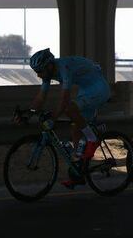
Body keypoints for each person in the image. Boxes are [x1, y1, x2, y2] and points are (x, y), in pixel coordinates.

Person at [24, 48, 110, 188]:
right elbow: (41, 97)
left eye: (40, 71)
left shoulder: (65, 67)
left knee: (70, 109)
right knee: (75, 127)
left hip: (99, 89)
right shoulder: (48, 73)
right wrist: (29, 112)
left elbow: (64, 100)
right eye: (36, 72)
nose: (39, 75)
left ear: (49, 65)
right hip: (86, 90)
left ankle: (93, 139)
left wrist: (53, 119)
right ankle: (78, 172)